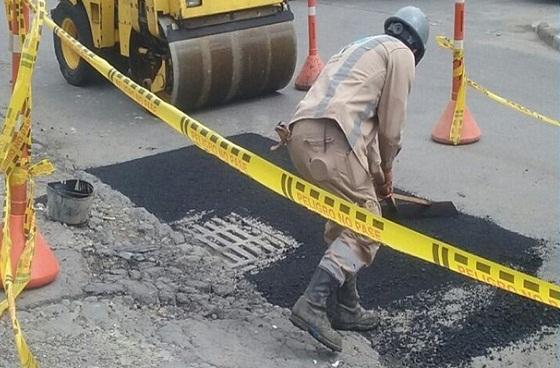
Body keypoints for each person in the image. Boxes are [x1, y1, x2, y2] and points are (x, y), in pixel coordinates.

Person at [278, 6, 430, 351]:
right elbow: (390, 132)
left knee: (345, 220)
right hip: (332, 141)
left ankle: (347, 307)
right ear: (418, 48)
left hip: (301, 137)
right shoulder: (402, 55)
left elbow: (368, 132)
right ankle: (312, 305)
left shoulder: (362, 46)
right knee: (367, 225)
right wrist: (389, 172)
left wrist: (378, 179)